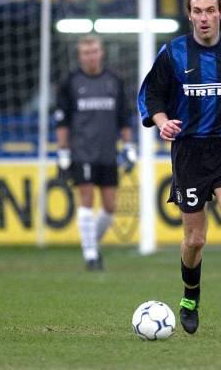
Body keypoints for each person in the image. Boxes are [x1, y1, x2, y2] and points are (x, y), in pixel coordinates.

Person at [138, 0, 221, 333]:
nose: (204, 17)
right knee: (194, 239)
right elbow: (152, 98)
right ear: (189, 15)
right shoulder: (173, 53)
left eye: (211, 10)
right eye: (197, 11)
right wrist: (163, 123)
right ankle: (190, 296)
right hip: (189, 150)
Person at [55, 35, 135, 271]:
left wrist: (129, 147)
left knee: (110, 208)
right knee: (87, 199)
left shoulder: (114, 80)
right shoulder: (70, 82)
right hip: (82, 152)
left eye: (94, 51)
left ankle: (91, 244)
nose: (90, 56)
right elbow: (62, 121)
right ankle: (90, 255)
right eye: (86, 52)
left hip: (108, 152)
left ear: (101, 53)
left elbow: (124, 117)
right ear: (80, 56)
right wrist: (63, 152)